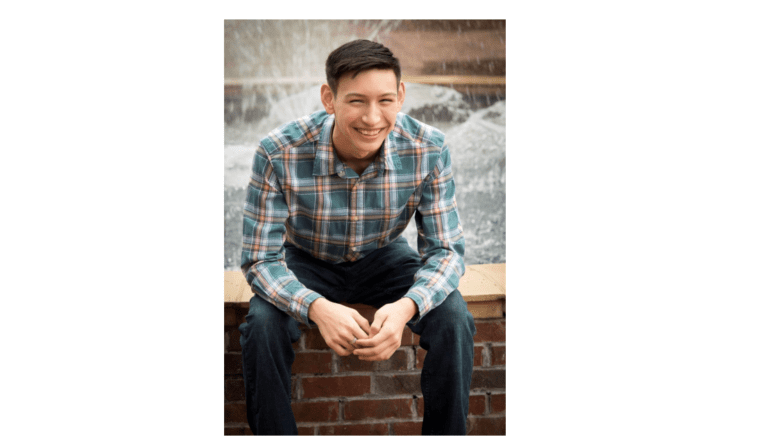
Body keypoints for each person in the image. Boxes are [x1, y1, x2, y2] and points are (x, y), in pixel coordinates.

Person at [239, 39, 475, 435]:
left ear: (401, 96)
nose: (372, 117)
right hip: (306, 259)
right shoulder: (278, 151)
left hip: (385, 256)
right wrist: (315, 307)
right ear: (328, 99)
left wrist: (406, 307)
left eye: (385, 100)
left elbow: (447, 251)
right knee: (261, 323)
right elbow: (260, 260)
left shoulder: (428, 148)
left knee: (453, 317)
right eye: (356, 101)